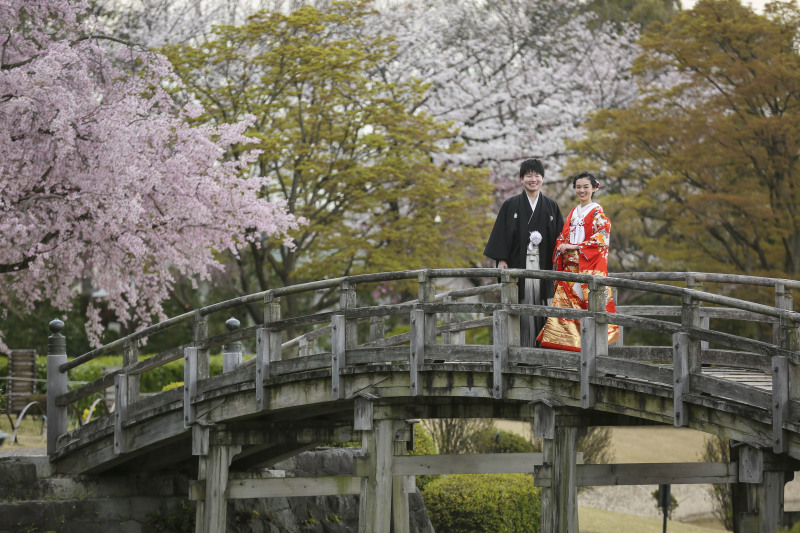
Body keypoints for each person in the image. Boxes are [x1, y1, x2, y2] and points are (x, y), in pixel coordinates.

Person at [484, 158, 564, 346]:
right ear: (521, 179)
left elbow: (560, 236)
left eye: (537, 175)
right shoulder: (510, 205)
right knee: (519, 301)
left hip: (543, 264)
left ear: (543, 178)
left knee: (544, 302)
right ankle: (517, 346)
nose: (533, 179)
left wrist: (560, 258)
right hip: (518, 262)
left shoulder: (551, 206)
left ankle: (543, 345)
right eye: (528, 175)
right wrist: (501, 258)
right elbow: (501, 234)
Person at [537, 171, 619, 351]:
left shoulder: (597, 212)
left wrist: (574, 247)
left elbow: (601, 239)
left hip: (586, 267)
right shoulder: (574, 212)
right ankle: (563, 346)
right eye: (578, 187)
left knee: (584, 309)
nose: (582, 190)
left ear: (594, 188)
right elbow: (563, 235)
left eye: (586, 187)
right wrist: (561, 245)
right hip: (569, 269)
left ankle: (585, 348)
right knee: (564, 309)